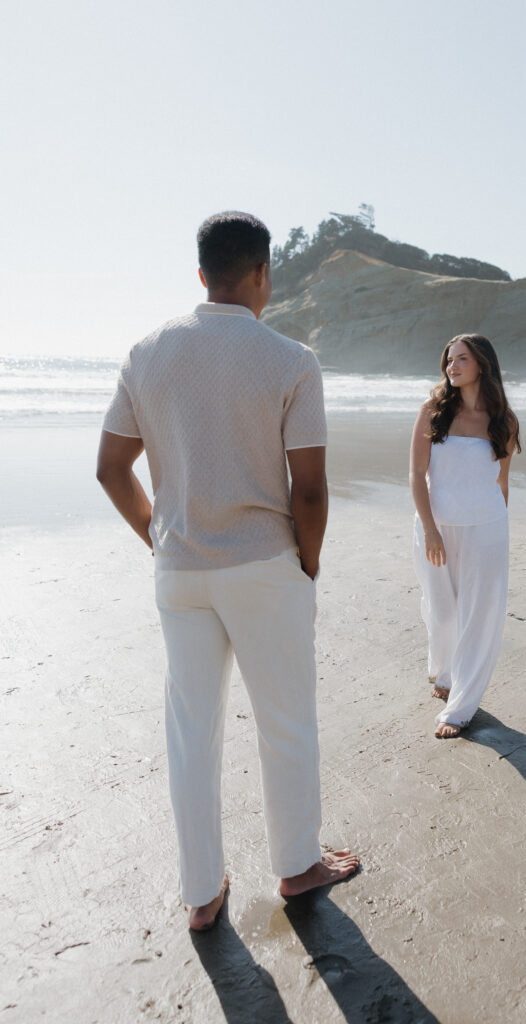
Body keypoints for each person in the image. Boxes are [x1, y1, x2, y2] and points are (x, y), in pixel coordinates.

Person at [96, 211, 359, 930]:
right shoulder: (290, 359)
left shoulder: (146, 352)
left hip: (180, 570)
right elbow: (308, 486)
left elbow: (111, 468)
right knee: (286, 719)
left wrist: (159, 533)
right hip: (263, 565)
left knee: (191, 729)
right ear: (264, 273)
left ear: (202, 273)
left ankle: (201, 893)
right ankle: (299, 865)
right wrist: (308, 561)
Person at [409, 334, 521, 739]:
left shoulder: (504, 420)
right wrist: (431, 531)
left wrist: (493, 532)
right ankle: (443, 668)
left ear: (482, 366)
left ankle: (461, 707)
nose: (451, 367)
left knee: (479, 616)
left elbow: (501, 483)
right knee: (443, 610)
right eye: (449, 360)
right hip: (436, 525)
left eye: (461, 359)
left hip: (487, 528)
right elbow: (416, 477)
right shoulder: (432, 411)